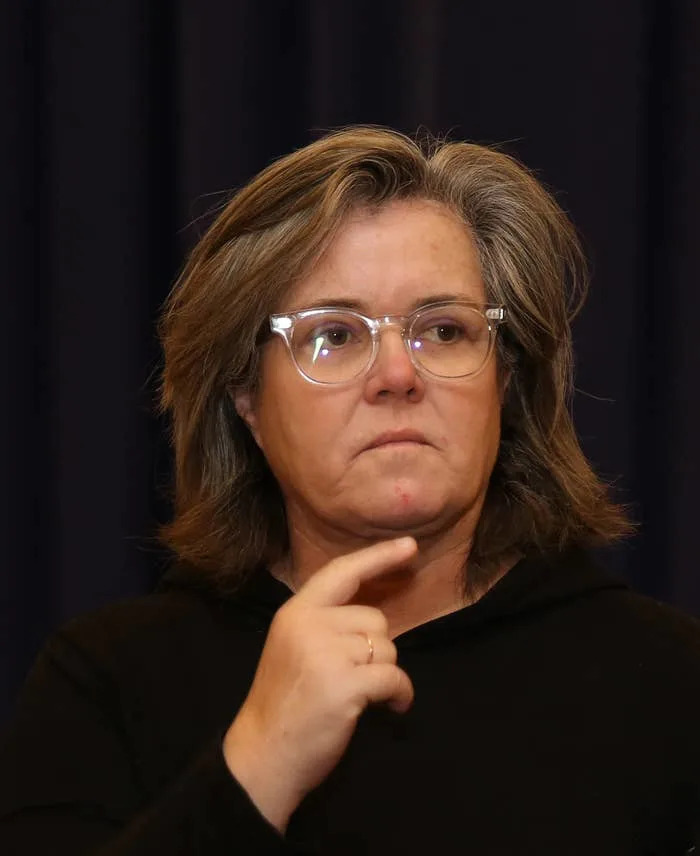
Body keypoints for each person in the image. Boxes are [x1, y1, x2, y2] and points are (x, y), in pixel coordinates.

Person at [1, 126, 699, 855]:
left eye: (445, 330)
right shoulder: (106, 683)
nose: (397, 374)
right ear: (246, 399)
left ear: (506, 380)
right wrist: (258, 765)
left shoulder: (669, 685)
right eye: (333, 335)